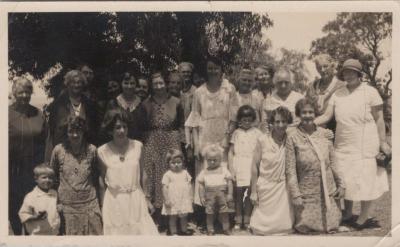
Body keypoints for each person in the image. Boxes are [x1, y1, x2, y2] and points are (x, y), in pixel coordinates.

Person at [314, 58, 390, 230]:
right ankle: (347, 214)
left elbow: (379, 119)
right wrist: (307, 123)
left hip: (366, 142)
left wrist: (383, 142)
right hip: (343, 142)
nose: (348, 75)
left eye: (351, 72)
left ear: (359, 74)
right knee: (344, 178)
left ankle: (362, 219)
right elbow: (326, 116)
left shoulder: (370, 92)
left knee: (366, 179)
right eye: (345, 72)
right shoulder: (337, 94)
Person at [286, 98, 345, 233]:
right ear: (298, 115)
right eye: (303, 112)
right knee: (306, 226)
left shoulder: (325, 134)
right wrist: (295, 195)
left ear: (315, 114)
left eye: (310, 112)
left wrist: (341, 184)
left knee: (332, 224)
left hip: (328, 188)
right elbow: (290, 169)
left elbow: (333, 162)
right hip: (306, 191)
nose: (307, 115)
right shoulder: (292, 137)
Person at [97, 108, 158, 235]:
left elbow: (143, 174)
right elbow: (102, 181)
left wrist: (147, 198)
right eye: (117, 127)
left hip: (136, 198)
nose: (122, 131)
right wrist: (103, 206)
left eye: (125, 127)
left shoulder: (138, 146)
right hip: (114, 201)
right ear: (110, 129)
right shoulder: (102, 151)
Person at [141, 72, 184, 229]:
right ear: (152, 86)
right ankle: (157, 218)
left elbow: (181, 124)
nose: (159, 86)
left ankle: (173, 218)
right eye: (155, 84)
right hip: (152, 142)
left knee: (171, 176)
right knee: (153, 177)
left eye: (161, 83)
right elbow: (142, 127)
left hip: (171, 142)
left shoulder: (177, 102)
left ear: (166, 84)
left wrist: (180, 145)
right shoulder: (145, 104)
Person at [50, 115, 102, 235]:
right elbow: (52, 178)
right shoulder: (58, 150)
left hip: (90, 206)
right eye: (71, 131)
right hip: (66, 208)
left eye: (78, 131)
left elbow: (97, 176)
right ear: (66, 133)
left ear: (83, 132)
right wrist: (56, 203)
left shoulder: (92, 150)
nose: (75, 135)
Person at [9, 77, 46, 235]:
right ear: (14, 93)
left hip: (33, 170)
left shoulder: (38, 114)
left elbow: (46, 140)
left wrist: (45, 167)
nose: (24, 95)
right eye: (20, 92)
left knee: (34, 209)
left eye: (27, 91)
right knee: (15, 209)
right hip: (12, 170)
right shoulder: (6, 114)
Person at [249, 107, 294, 235]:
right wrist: (253, 191)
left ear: (288, 122)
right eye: (277, 121)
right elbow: (254, 166)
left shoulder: (291, 139)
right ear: (272, 123)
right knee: (259, 229)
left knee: (285, 227)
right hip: (266, 186)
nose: (281, 125)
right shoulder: (262, 140)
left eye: (284, 121)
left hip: (283, 188)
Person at [47, 70, 99, 156]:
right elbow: (52, 131)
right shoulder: (58, 104)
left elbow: (95, 129)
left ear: (83, 84)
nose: (76, 85)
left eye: (79, 82)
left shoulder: (90, 105)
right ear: (67, 84)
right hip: (64, 151)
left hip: (85, 151)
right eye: (73, 82)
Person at [228, 105, 261, 231]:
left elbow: (260, 151)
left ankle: (247, 219)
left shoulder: (257, 133)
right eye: (243, 120)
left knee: (249, 194)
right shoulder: (236, 133)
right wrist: (231, 169)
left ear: (253, 120)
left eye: (249, 120)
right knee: (238, 194)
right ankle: (238, 219)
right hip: (238, 165)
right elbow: (230, 152)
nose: (246, 123)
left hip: (251, 165)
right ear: (239, 121)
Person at [198, 144, 234, 235]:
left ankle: (226, 228)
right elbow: (201, 185)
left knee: (224, 212)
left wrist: (230, 194)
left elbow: (229, 182)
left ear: (220, 160)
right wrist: (201, 196)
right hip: (209, 196)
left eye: (215, 160)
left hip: (222, 195)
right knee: (209, 213)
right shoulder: (204, 172)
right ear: (206, 160)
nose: (212, 162)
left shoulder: (224, 170)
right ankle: (210, 229)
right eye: (209, 160)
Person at [102, 71, 145, 143]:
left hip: (136, 144)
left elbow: (144, 129)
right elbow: (107, 127)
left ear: (136, 85)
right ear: (121, 84)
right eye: (126, 83)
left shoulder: (141, 104)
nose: (129, 86)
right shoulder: (113, 103)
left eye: (132, 83)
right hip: (117, 144)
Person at [306, 54, 346, 131]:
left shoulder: (342, 86)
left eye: (325, 66)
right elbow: (305, 108)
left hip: (334, 132)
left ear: (333, 66)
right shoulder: (312, 86)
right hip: (312, 131)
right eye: (319, 68)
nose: (322, 70)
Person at [18, 164, 60, 235]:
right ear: (36, 179)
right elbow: (23, 214)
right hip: (38, 234)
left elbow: (55, 206)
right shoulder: (31, 196)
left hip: (53, 233)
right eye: (44, 177)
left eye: (50, 178)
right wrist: (35, 217)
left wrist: (59, 207)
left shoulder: (54, 193)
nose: (48, 180)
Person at [161, 149, 193, 236]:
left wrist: (190, 197)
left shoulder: (185, 173)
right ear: (168, 163)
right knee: (173, 216)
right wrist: (166, 199)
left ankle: (184, 230)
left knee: (184, 216)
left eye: (178, 162)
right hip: (173, 199)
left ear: (182, 162)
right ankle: (173, 232)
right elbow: (164, 188)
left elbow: (189, 185)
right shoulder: (168, 174)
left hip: (183, 199)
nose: (176, 165)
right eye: (173, 163)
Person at [179, 62, 197, 178]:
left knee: (191, 169)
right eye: (183, 72)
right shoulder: (175, 90)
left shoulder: (196, 91)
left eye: (188, 72)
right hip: (176, 135)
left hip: (190, 136)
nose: (186, 74)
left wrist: (190, 144)